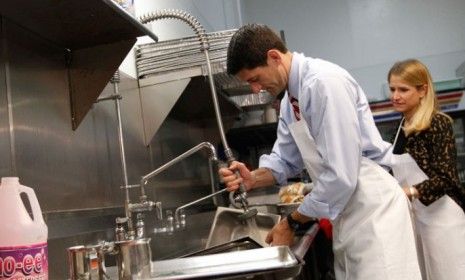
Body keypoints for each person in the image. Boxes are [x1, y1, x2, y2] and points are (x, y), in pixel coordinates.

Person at [220, 23, 421, 280]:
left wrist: (292, 221)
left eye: (255, 79)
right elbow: (284, 161)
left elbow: (341, 175)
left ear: (274, 57)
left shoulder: (323, 83)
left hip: (373, 209)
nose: (255, 90)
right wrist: (253, 178)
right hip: (347, 215)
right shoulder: (289, 101)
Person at [388, 58, 465, 280]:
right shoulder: (401, 127)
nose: (395, 95)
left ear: (422, 90)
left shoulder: (438, 123)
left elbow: (446, 178)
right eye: (393, 89)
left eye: (403, 89)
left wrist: (409, 192)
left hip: (444, 218)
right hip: (417, 218)